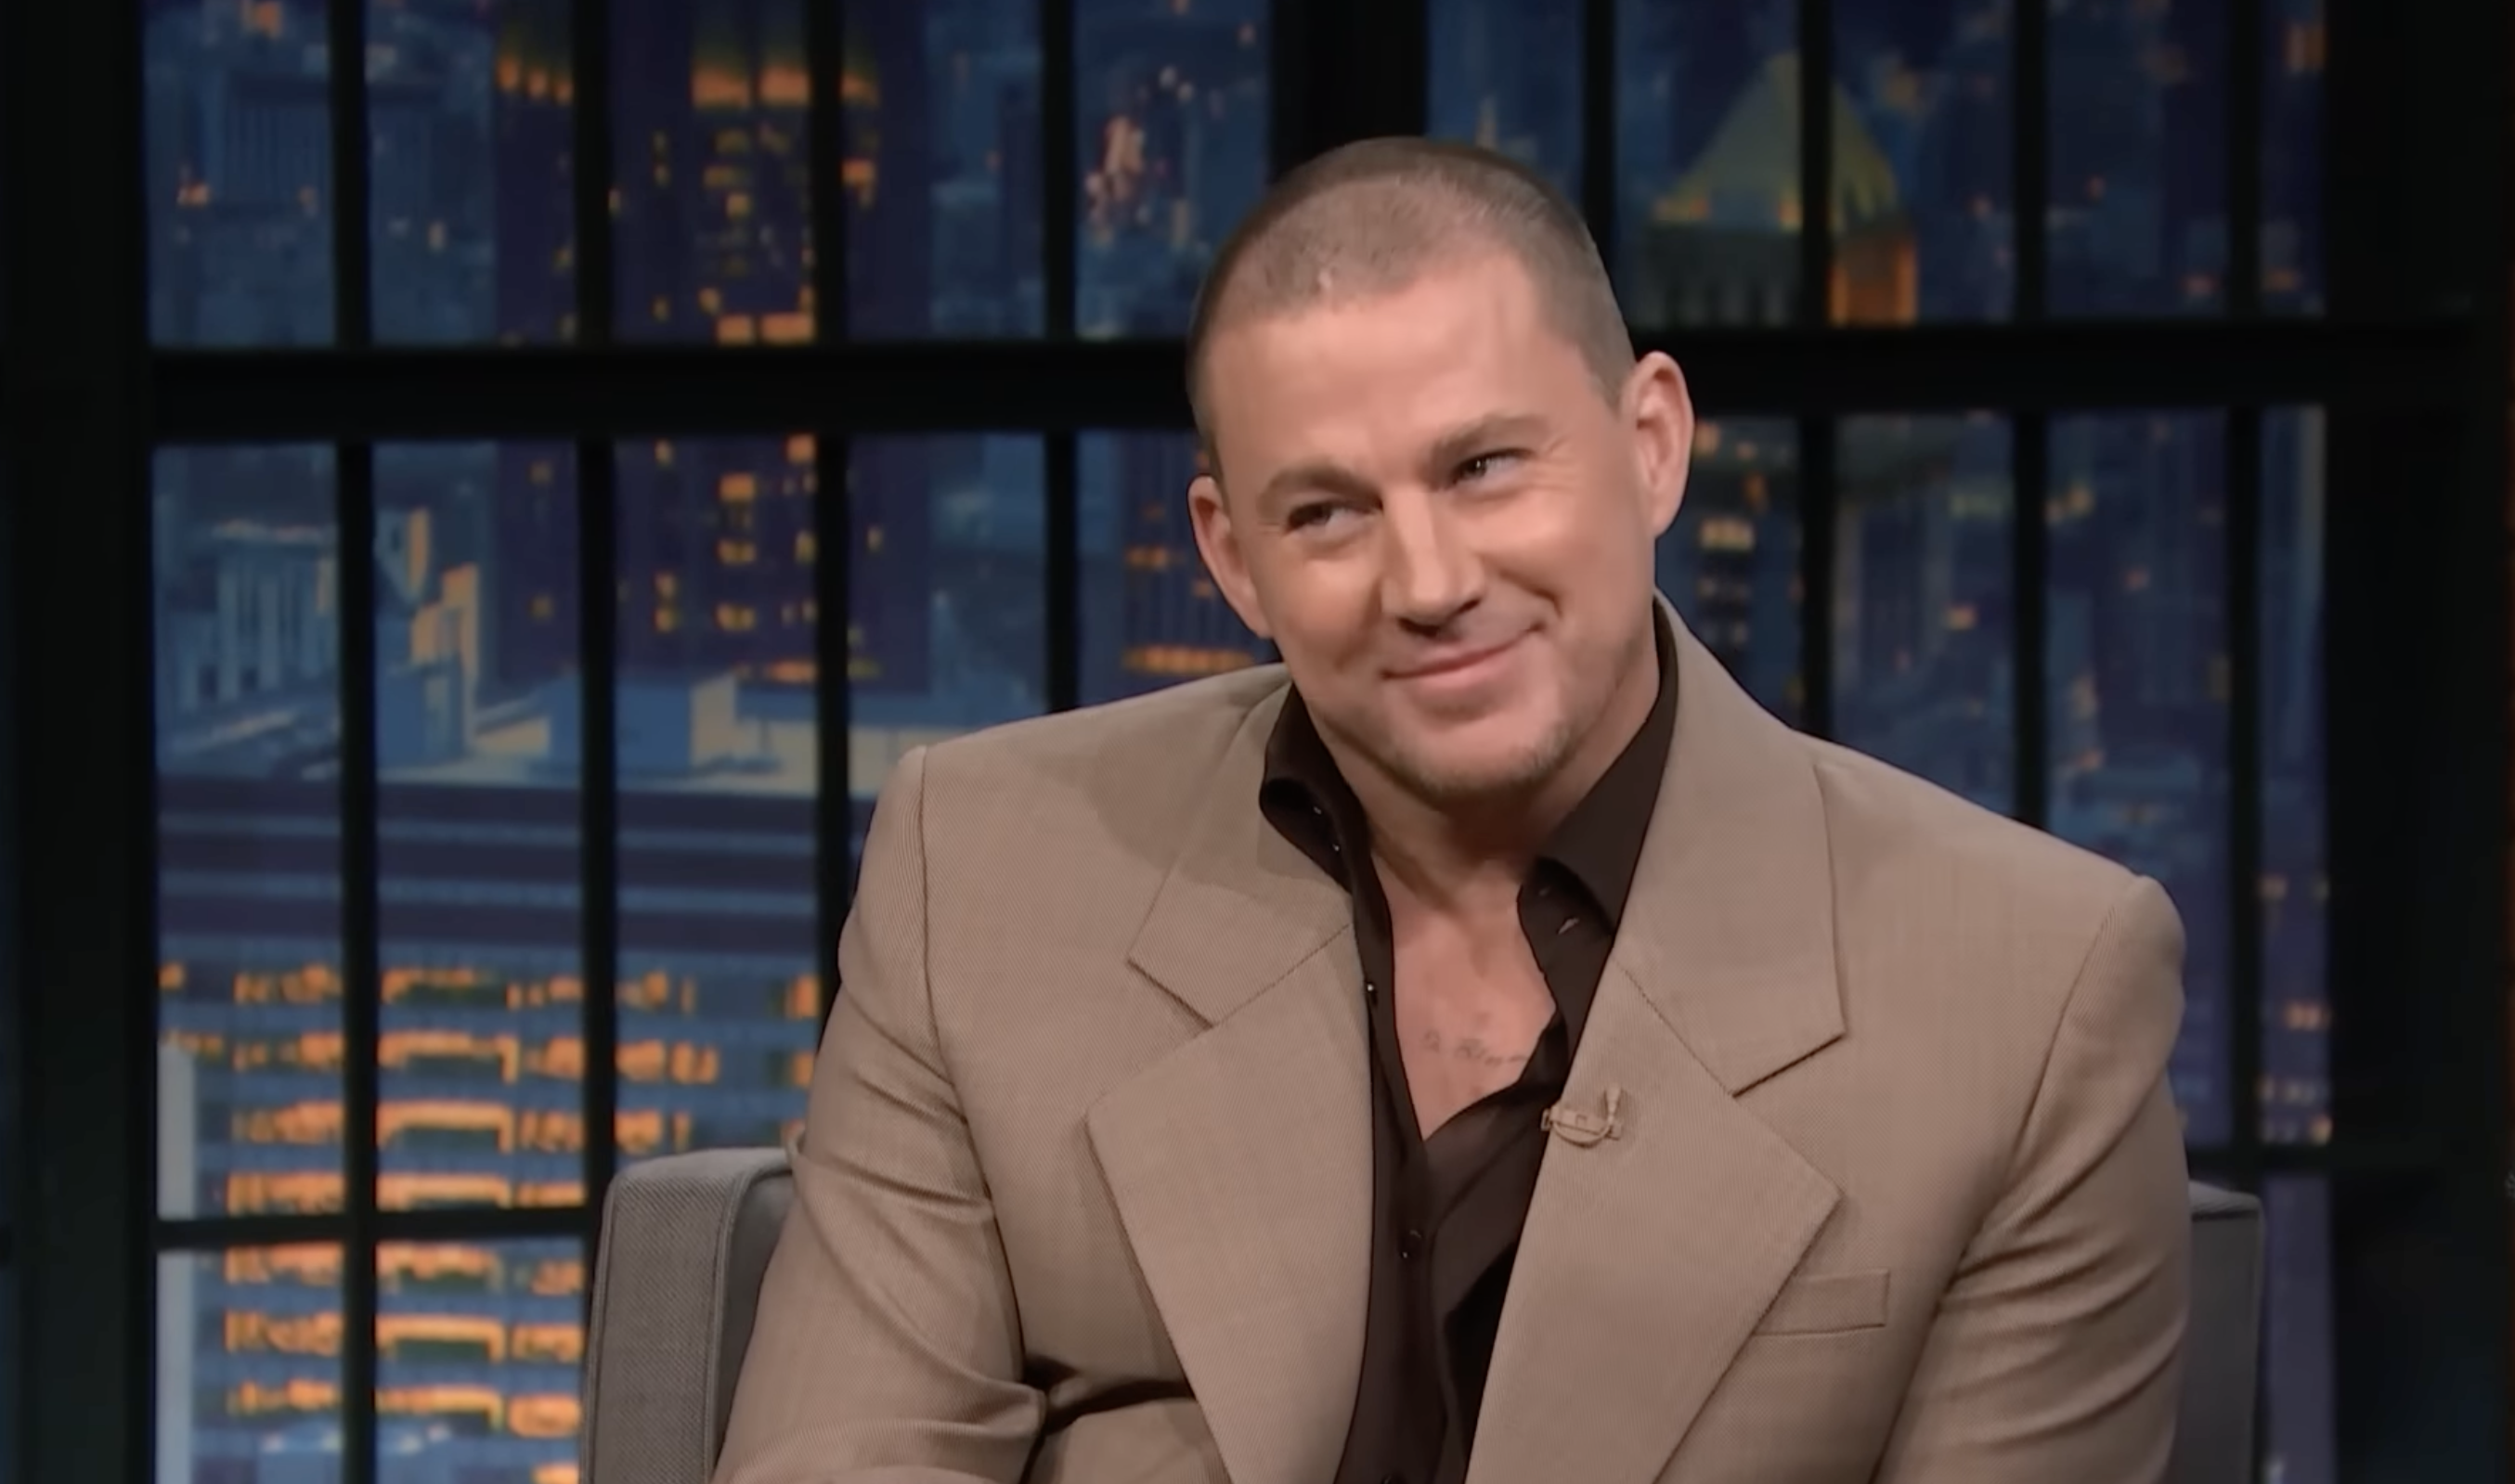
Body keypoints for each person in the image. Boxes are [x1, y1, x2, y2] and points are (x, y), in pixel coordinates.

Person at [716, 137, 2192, 1484]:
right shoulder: (982, 870)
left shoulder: (2031, 996)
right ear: (1232, 559)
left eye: (1484, 467)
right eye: (1327, 514)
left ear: (1653, 441)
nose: (1427, 583)